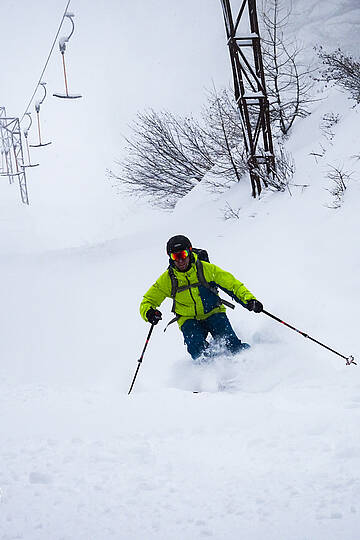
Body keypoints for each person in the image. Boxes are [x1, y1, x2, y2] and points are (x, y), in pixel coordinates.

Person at [140, 235, 263, 361]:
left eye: (183, 254)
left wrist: (249, 300)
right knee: (199, 353)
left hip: (214, 312)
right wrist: (149, 312)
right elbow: (148, 300)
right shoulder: (167, 280)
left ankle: (254, 361)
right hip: (188, 319)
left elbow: (232, 285)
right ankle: (211, 375)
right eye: (175, 257)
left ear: (190, 251)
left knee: (233, 346)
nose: (180, 260)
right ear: (170, 257)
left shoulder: (206, 269)